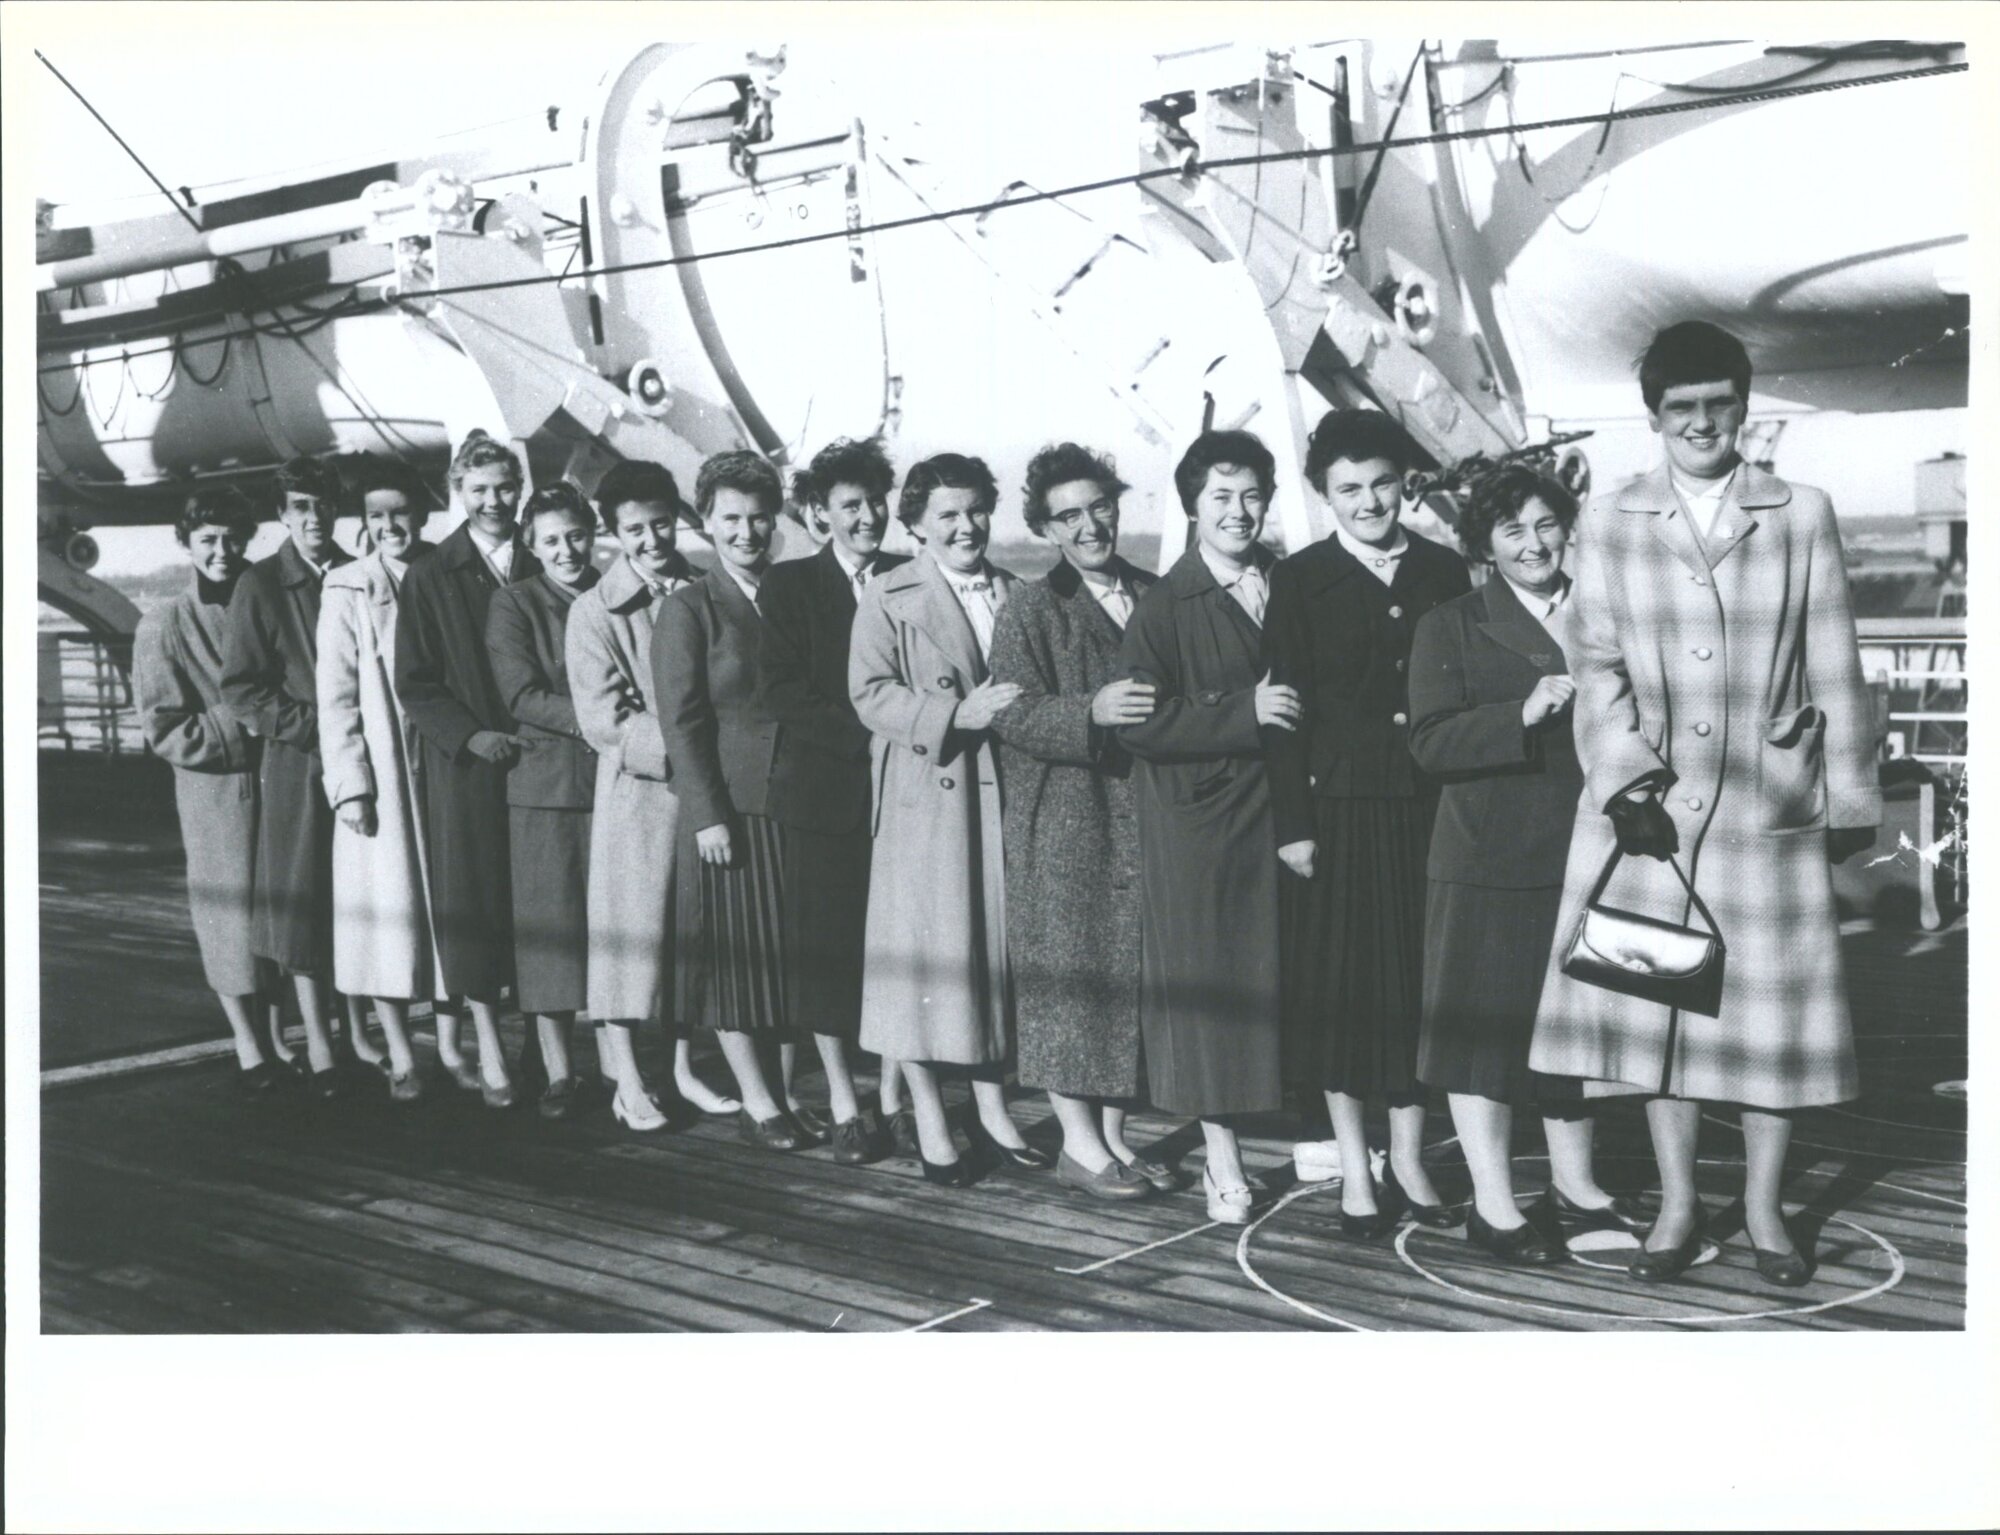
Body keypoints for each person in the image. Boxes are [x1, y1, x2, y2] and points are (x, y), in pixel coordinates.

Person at [1530, 320, 1881, 1287]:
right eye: (1680, 407)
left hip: (1769, 803)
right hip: (1654, 815)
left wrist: (1847, 795)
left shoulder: (1801, 510)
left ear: (1743, 406)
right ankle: (1680, 1205)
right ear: (1653, 417)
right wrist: (1623, 781)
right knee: (1660, 1018)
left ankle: (1766, 1210)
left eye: (1717, 403)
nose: (1700, 422)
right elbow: (1594, 665)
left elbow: (1837, 661)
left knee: (1774, 1028)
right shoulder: (1608, 519)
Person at [1407, 464, 1646, 1263]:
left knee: (1576, 1028)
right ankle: (1494, 1201)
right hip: (1487, 858)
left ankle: (1575, 1185)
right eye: (1512, 530)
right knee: (1482, 1034)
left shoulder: (1609, 609)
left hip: (1591, 851)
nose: (1534, 542)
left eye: (1546, 524)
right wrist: (1518, 713)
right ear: (1483, 545)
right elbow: (1429, 741)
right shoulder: (1453, 622)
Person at [1263, 409, 1471, 1238]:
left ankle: (1411, 1158)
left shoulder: (1444, 570)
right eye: (1348, 488)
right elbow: (1283, 712)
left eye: (1383, 483)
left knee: (1418, 989)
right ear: (1323, 494)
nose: (1369, 500)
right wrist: (1294, 824)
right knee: (1346, 994)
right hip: (1340, 813)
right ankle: (1357, 1165)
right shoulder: (1300, 578)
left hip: (1430, 808)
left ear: (1404, 484)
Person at [850, 452, 1047, 1185]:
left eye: (975, 511)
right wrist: (953, 713)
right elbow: (868, 693)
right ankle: (932, 1120)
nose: (966, 526)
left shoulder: (1017, 591)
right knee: (928, 966)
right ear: (917, 525)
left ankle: (994, 1112)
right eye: (948, 515)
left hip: (1005, 796)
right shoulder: (889, 592)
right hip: (929, 802)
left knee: (993, 961)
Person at [1118, 430, 1300, 1223]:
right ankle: (1221, 1160)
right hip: (1202, 827)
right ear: (1192, 505)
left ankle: (1308, 1130)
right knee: (1212, 992)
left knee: (1282, 979)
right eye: (1221, 496)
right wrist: (1241, 713)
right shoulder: (1164, 604)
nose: (1239, 510)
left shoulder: (1287, 583)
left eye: (1252, 493)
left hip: (1281, 816)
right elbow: (1139, 722)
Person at [988, 443, 1163, 1201]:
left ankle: (1114, 1144)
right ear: (1045, 529)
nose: (1089, 525)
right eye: (1069, 516)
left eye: (1099, 507)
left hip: (1145, 821)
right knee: (1070, 985)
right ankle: (1081, 1148)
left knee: (1127, 981)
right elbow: (1011, 709)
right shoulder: (1030, 605)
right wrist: (1088, 711)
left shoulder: (1155, 592)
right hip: (1066, 821)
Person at [567, 460, 739, 1131]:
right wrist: (695, 744)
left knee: (683, 942)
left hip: (701, 795)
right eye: (634, 529)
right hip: (638, 800)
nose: (650, 538)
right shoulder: (593, 611)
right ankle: (628, 1082)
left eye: (660, 523)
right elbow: (603, 719)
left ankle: (681, 1070)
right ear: (614, 532)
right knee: (629, 941)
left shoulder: (705, 590)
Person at [757, 437, 914, 1163]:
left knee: (898, 953)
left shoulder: (911, 578)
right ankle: (846, 1104)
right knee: (827, 958)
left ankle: (895, 1094)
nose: (867, 516)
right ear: (820, 514)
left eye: (875, 502)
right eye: (850, 505)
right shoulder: (788, 588)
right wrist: (870, 738)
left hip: (903, 800)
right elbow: (784, 693)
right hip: (826, 798)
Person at [651, 451, 805, 1150]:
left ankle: (788, 1094)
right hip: (730, 812)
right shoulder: (688, 608)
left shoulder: (793, 593)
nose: (747, 532)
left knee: (786, 954)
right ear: (706, 522)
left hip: (796, 805)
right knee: (737, 961)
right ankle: (760, 1102)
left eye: (758, 518)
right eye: (731, 519)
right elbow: (681, 723)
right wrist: (708, 813)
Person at [395, 430, 542, 1107]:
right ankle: (491, 1052)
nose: (493, 501)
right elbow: (416, 682)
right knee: (477, 912)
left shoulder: (543, 559)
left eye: (503, 487)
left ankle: (545, 1045)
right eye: (478, 490)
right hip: (470, 768)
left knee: (542, 907)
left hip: (542, 762)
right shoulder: (432, 573)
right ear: (459, 493)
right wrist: (471, 736)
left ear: (520, 488)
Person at [222, 455, 363, 1099]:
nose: (313, 516)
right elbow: (244, 690)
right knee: (305, 909)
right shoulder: (261, 584)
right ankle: (323, 1049)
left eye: (322, 504)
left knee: (362, 902)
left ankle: (362, 1037)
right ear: (282, 515)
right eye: (300, 506)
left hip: (367, 761)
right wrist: (316, 728)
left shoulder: (357, 575)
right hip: (301, 768)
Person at [135, 489, 283, 1094]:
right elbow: (163, 727)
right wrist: (238, 723)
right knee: (228, 920)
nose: (222, 551)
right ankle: (248, 1044)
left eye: (231, 538)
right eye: (207, 541)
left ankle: (278, 1038)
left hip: (283, 780)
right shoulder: (164, 623)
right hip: (217, 796)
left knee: (282, 914)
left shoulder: (272, 598)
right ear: (187, 543)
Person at [316, 457, 448, 1102]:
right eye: (376, 516)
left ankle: (450, 1047)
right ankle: (401, 1055)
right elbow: (335, 696)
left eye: (400, 512)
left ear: (421, 514)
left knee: (449, 916)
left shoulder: (444, 571)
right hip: (384, 774)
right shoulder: (347, 586)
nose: (390, 524)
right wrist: (351, 785)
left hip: (442, 767)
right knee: (383, 920)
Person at [487, 483, 601, 1118]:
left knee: (617, 932)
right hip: (547, 790)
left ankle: (621, 1067)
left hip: (617, 784)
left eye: (576, 535)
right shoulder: (514, 604)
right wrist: (602, 720)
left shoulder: (615, 593)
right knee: (549, 933)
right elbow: (521, 694)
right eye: (551, 540)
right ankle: (560, 1072)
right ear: (530, 545)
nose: (566, 550)